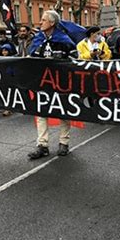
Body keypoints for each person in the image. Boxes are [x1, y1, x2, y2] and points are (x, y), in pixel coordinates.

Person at [28, 10, 75, 159]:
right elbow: (32, 58)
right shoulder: (38, 40)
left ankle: (64, 143)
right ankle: (42, 145)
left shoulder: (65, 41)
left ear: (52, 23)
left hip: (61, 83)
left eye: (43, 20)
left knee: (63, 111)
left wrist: (62, 60)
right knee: (41, 113)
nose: (40, 23)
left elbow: (75, 60)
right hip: (43, 83)